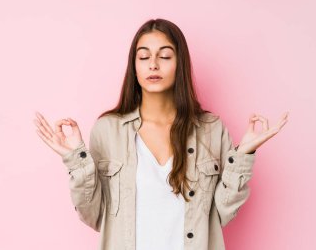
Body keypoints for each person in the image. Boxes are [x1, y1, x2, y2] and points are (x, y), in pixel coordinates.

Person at [34, 18, 288, 250]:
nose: (153, 64)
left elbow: (222, 213)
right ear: (134, 67)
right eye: (143, 57)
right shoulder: (108, 130)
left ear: (180, 64)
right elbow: (94, 216)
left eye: (165, 56)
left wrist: (244, 153)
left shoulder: (210, 128)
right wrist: (76, 160)